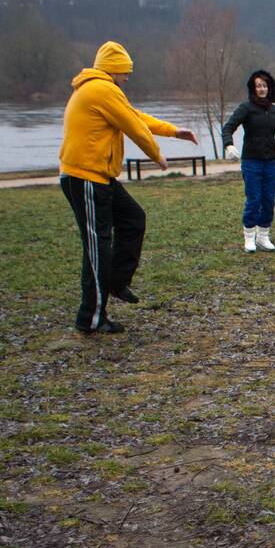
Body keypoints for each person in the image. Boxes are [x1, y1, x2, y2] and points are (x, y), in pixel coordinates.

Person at [58, 40, 199, 333]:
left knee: (134, 218)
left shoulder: (105, 90)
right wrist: (156, 155)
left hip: (100, 178)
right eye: (125, 72)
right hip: (84, 177)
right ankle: (91, 318)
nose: (128, 78)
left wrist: (173, 131)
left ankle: (117, 282)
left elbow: (134, 117)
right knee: (97, 247)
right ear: (113, 70)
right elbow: (134, 128)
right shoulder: (100, 89)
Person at [222, 70, 275, 253]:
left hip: (269, 163)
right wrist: (228, 145)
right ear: (253, 89)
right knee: (254, 199)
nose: (262, 89)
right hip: (251, 162)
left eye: (264, 86)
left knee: (268, 200)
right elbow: (228, 127)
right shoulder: (246, 108)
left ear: (269, 88)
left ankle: (263, 237)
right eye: (258, 86)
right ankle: (249, 239)